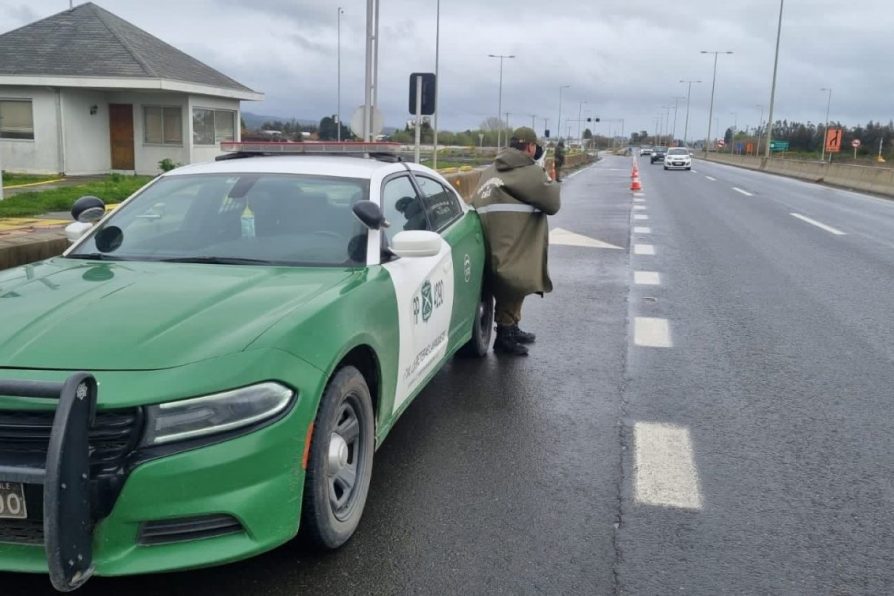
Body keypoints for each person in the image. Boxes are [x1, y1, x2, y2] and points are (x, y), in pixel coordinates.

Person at [472, 127, 561, 356]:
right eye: (535, 147)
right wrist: (551, 177)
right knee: (517, 279)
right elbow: (553, 203)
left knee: (512, 281)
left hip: (486, 241)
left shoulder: (490, 170)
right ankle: (505, 334)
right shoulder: (529, 171)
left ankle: (511, 326)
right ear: (530, 147)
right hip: (512, 242)